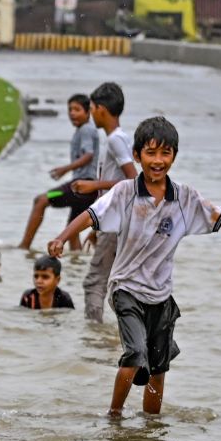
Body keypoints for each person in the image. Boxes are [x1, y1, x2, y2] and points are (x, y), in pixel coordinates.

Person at [49, 116, 221, 417]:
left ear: (174, 156)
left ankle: (151, 426)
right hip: (126, 288)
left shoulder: (185, 198)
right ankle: (114, 417)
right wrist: (62, 238)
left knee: (159, 368)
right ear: (137, 155)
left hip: (160, 295)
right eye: (151, 153)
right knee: (135, 355)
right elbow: (92, 215)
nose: (158, 161)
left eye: (165, 153)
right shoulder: (125, 193)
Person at [71, 82, 137, 323]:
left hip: (116, 220)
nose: (90, 114)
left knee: (94, 283)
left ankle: (94, 339)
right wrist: (97, 229)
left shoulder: (115, 140)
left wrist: (94, 185)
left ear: (101, 109)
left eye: (91, 108)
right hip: (114, 221)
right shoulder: (121, 138)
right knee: (118, 282)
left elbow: (133, 180)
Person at [17, 94, 99, 252]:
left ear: (88, 112)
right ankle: (78, 263)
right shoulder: (84, 130)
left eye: (77, 109)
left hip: (81, 185)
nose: (72, 113)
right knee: (73, 230)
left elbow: (88, 155)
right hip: (88, 189)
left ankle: (24, 247)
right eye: (70, 110)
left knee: (41, 200)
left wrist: (65, 169)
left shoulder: (86, 130)